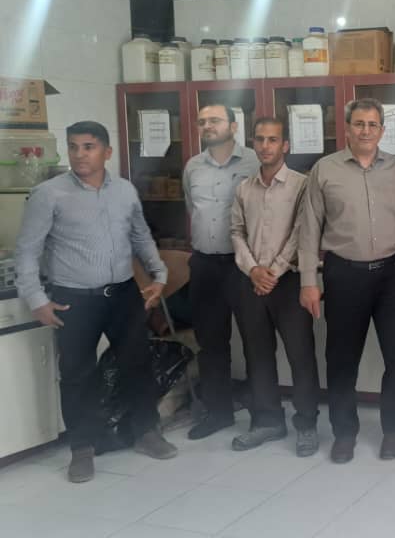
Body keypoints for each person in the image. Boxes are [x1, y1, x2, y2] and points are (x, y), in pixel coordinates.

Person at [15, 121, 178, 483]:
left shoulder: (124, 191)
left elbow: (140, 236)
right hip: (74, 299)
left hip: (123, 294)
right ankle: (82, 449)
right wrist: (37, 299)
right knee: (77, 375)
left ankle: (146, 432)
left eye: (88, 147)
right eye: (73, 146)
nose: (79, 154)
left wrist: (159, 274)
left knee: (137, 364)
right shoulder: (48, 194)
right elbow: (27, 251)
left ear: (107, 151)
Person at [298, 98, 395, 464]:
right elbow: (309, 229)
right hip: (344, 273)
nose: (366, 130)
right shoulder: (324, 170)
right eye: (359, 124)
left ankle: (394, 429)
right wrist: (308, 281)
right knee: (340, 358)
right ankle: (344, 433)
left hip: (394, 274)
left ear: (383, 130)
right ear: (347, 128)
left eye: (372, 124)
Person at [229, 117, 320, 457]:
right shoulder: (244, 188)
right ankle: (267, 420)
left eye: (273, 140)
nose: (265, 146)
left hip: (289, 281)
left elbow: (303, 232)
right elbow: (236, 232)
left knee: (301, 355)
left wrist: (274, 271)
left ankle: (306, 423)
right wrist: (253, 269)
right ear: (253, 143)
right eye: (260, 139)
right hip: (252, 282)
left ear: (285, 145)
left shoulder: (301, 185)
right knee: (257, 355)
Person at [183, 103, 258, 440]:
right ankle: (218, 412)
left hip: (244, 266)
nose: (207, 126)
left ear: (233, 126)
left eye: (215, 120)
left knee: (256, 340)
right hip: (204, 264)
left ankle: (263, 412)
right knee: (210, 343)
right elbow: (192, 208)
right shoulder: (192, 167)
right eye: (202, 121)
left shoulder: (253, 162)